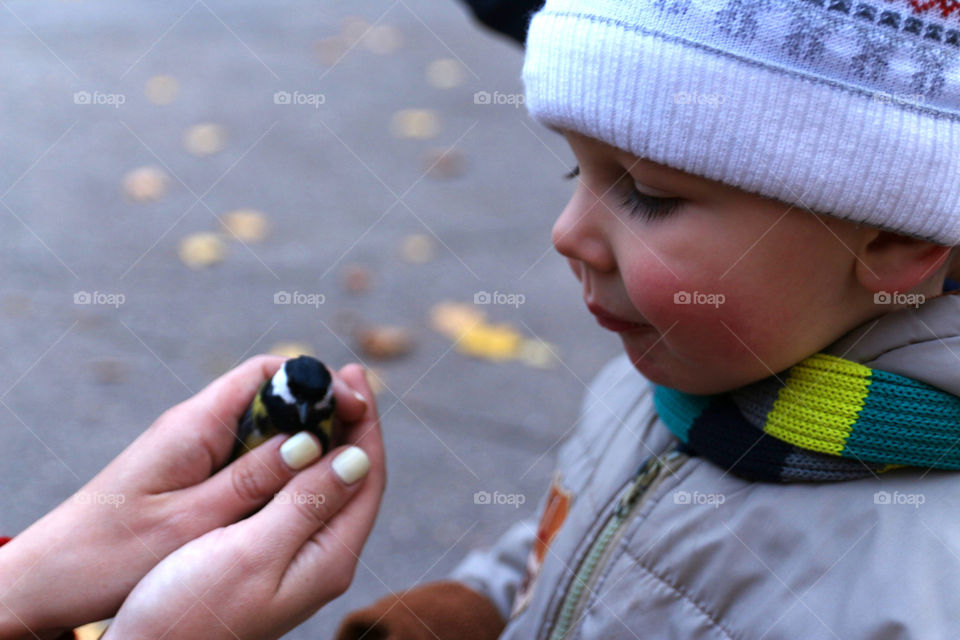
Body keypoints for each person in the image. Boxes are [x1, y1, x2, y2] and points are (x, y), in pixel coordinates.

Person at [334, 0, 960, 638]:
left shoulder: (920, 592)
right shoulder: (670, 383)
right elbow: (604, 532)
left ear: (892, 238)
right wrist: (480, 606)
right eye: (577, 169)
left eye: (649, 197)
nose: (567, 232)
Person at [0, 355, 386, 640]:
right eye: (297, 396)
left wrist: (15, 583)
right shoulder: (265, 403)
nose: (303, 407)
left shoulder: (320, 409)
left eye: (312, 401)